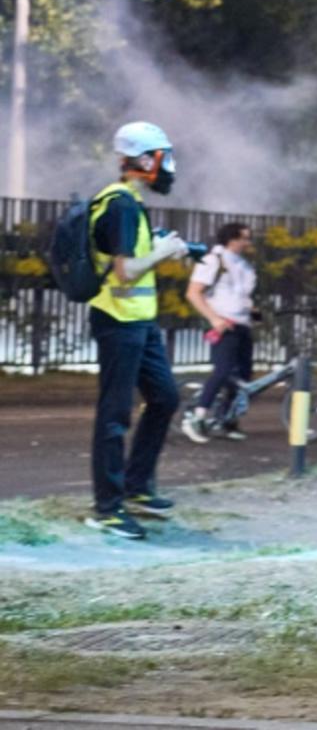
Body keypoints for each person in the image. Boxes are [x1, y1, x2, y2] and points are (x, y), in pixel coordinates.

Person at [85, 121, 192, 539]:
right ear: (145, 159)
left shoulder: (130, 201)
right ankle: (107, 509)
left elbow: (131, 257)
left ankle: (135, 486)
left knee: (165, 398)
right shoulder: (120, 204)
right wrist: (162, 252)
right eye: (164, 157)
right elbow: (125, 271)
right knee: (114, 415)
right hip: (117, 321)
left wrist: (160, 244)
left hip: (139, 323)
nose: (169, 167)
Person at [182, 222, 258, 443]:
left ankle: (227, 421)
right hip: (223, 324)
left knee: (242, 378)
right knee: (223, 371)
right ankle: (197, 417)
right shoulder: (213, 260)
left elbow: (243, 297)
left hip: (242, 325)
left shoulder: (243, 265)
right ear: (231, 239)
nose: (247, 242)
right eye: (244, 238)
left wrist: (256, 316)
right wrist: (214, 319)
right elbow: (193, 293)